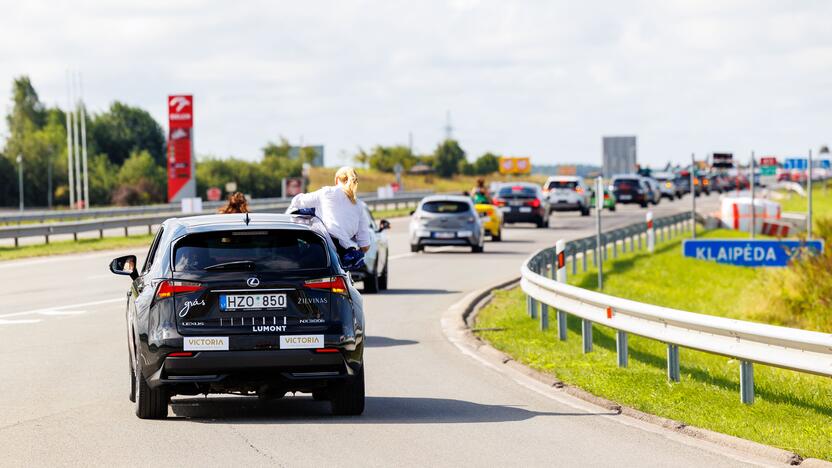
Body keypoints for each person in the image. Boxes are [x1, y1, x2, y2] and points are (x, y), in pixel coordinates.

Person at [288, 166, 371, 266]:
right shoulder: (359, 205)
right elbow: (365, 246)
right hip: (341, 256)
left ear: (336, 180)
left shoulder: (327, 193)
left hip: (319, 247)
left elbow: (297, 202)